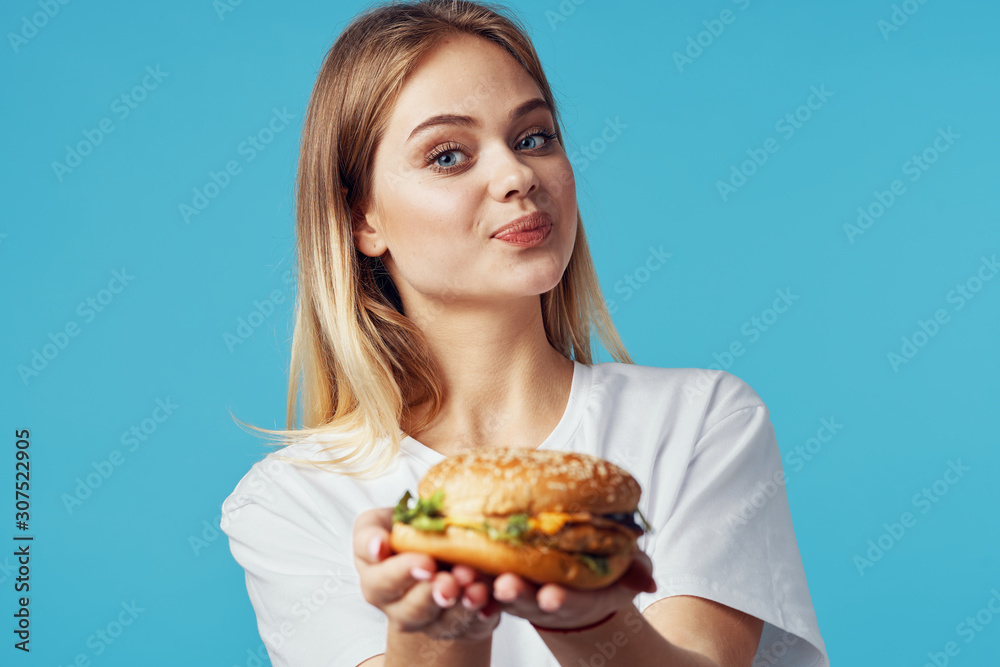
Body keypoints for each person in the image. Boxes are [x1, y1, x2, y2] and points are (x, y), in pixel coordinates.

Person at [220, 1, 830, 665]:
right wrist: (437, 627)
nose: (516, 176)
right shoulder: (291, 501)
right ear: (363, 219)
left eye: (534, 137)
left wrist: (589, 618)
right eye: (448, 155)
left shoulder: (699, 421)